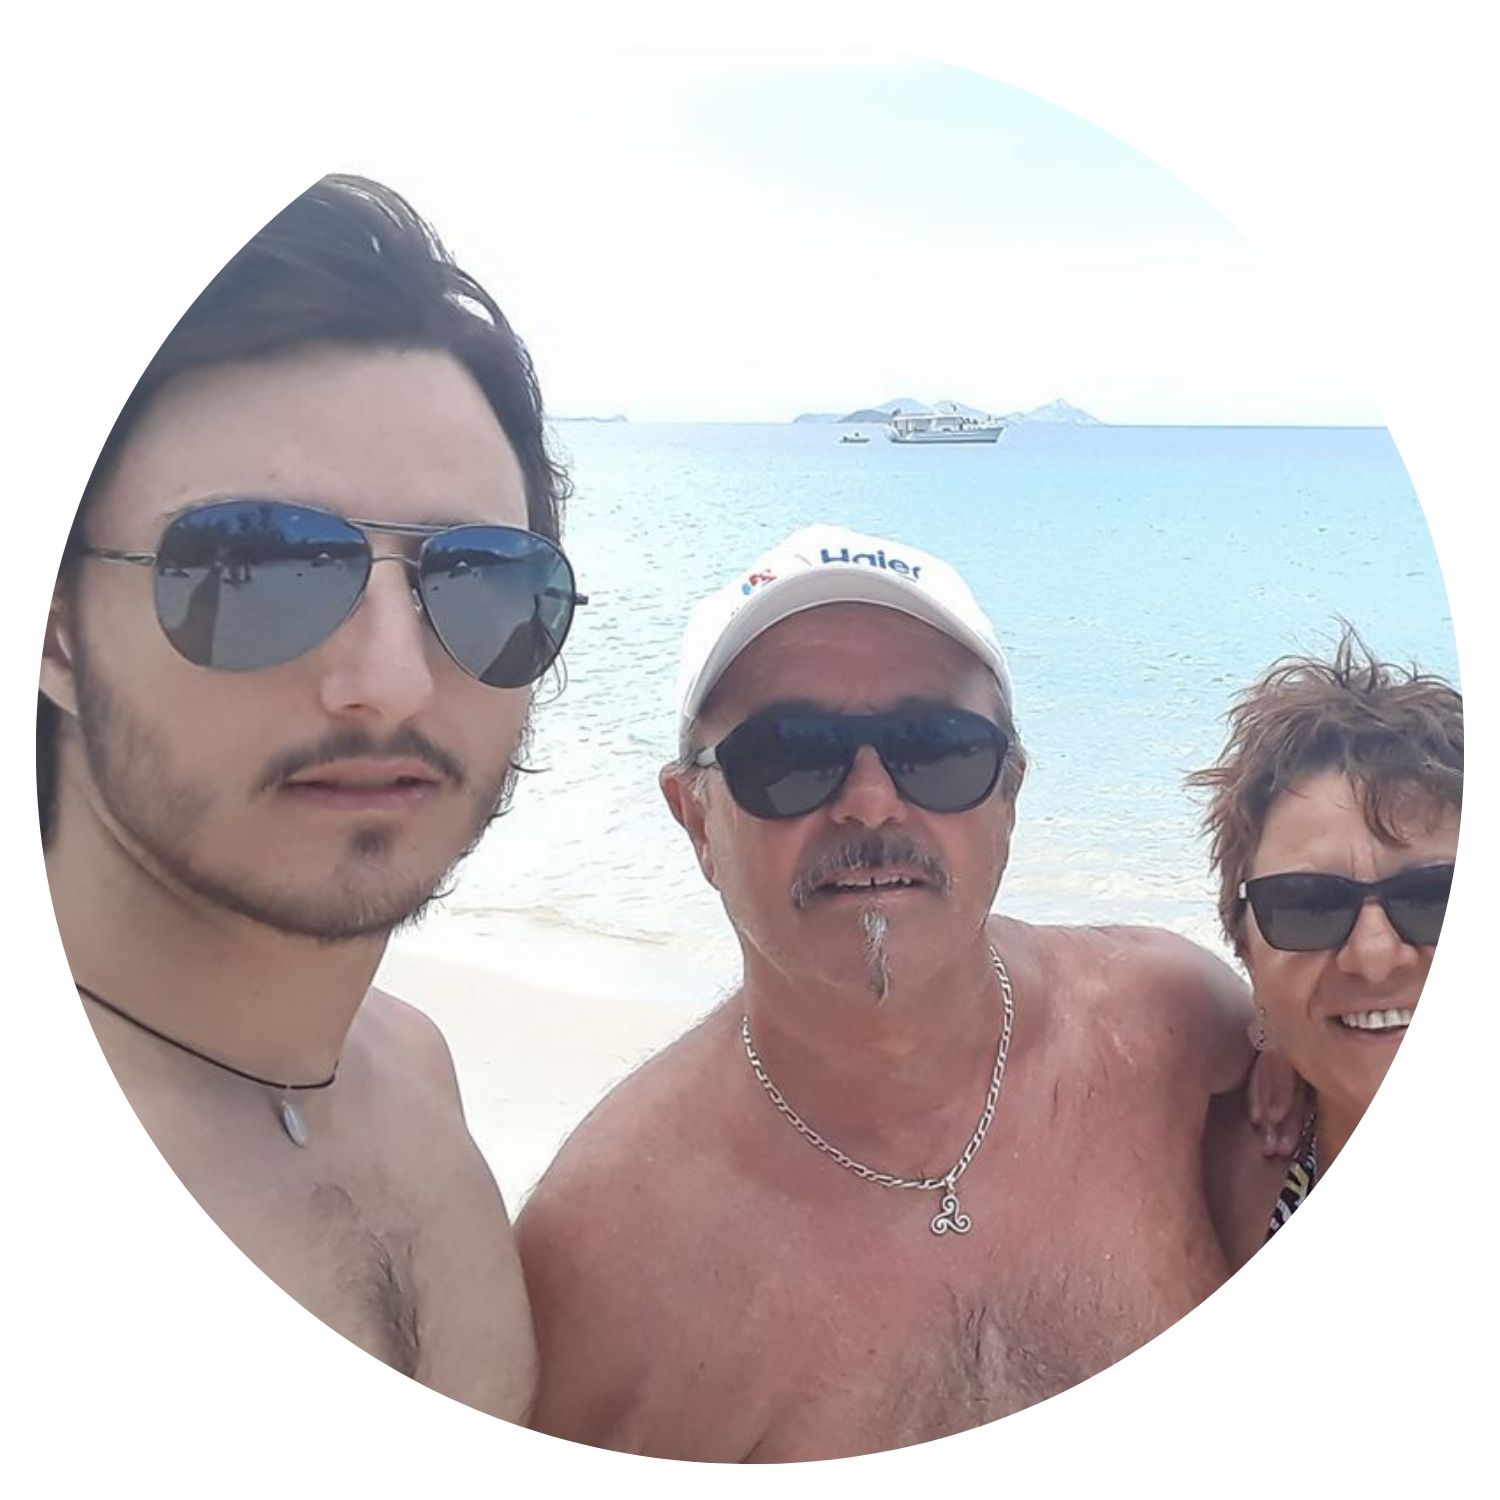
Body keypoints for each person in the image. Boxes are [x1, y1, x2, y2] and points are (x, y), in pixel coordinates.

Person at [517, 524, 1291, 1461]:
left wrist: (1298, 1033)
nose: (872, 801)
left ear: (1009, 793)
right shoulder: (601, 1262)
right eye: (790, 754)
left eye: (937, 747)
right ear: (695, 818)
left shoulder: (1172, 1023)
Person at [39, 174, 586, 1419]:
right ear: (55, 629)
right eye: (257, 565)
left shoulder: (413, 1074)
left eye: (484, 581)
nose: (388, 681)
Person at [1186, 627, 1462, 1265]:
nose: (1374, 955)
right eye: (1309, 906)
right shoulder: (1209, 1178)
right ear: (1245, 946)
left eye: (1436, 897)